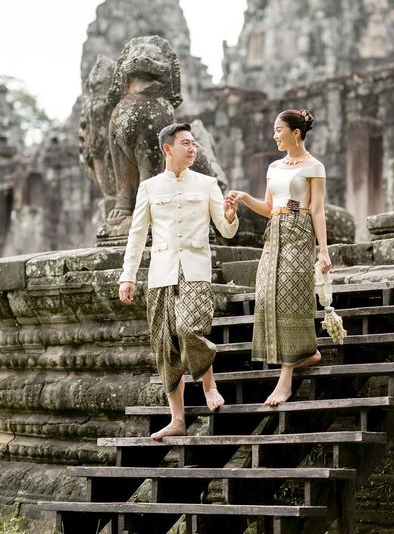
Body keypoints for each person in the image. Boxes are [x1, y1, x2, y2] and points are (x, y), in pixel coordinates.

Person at [119, 122, 239, 439]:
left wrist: (229, 216)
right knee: (164, 346)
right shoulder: (149, 187)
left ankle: (210, 386)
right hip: (161, 273)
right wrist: (127, 276)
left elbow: (226, 232)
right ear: (167, 148)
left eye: (194, 143)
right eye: (185, 143)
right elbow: (136, 235)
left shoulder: (207, 184)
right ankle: (177, 419)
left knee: (189, 328)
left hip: (195, 270)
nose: (192, 148)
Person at [225, 109, 331, 406]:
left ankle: (284, 379)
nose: (275, 135)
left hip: (300, 233)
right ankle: (306, 353)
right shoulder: (273, 167)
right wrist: (245, 198)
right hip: (274, 235)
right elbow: (270, 207)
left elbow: (318, 209)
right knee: (268, 295)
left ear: (295, 133)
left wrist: (323, 249)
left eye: (278, 130)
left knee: (292, 296)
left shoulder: (315, 167)